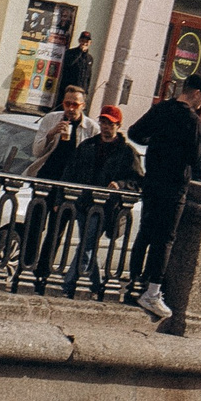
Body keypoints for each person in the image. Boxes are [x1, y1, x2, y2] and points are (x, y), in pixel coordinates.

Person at [129, 73, 201, 322]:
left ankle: (133, 282)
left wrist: (156, 143)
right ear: (196, 93)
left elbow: (134, 133)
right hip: (174, 185)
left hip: (152, 180)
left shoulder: (161, 109)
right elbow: (198, 161)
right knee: (165, 238)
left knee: (145, 231)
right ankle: (152, 292)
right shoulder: (192, 121)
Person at [64, 105, 143, 299]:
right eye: (103, 122)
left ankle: (69, 284)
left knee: (87, 244)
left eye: (110, 123)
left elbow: (138, 181)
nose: (106, 127)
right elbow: (71, 171)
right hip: (83, 203)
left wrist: (120, 184)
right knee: (87, 243)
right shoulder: (88, 145)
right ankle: (97, 285)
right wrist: (66, 197)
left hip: (106, 207)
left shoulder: (126, 152)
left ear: (118, 125)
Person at [30, 83, 90, 181]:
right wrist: (51, 134)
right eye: (67, 104)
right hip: (47, 175)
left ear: (83, 106)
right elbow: (36, 152)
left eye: (75, 105)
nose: (70, 108)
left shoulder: (91, 127)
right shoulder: (51, 119)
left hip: (71, 180)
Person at [60, 30, 95, 100]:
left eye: (86, 42)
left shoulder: (89, 58)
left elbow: (88, 76)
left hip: (81, 91)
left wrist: (86, 90)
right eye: (82, 41)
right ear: (79, 41)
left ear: (90, 43)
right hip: (69, 89)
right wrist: (80, 51)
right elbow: (69, 63)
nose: (84, 43)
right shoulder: (70, 53)